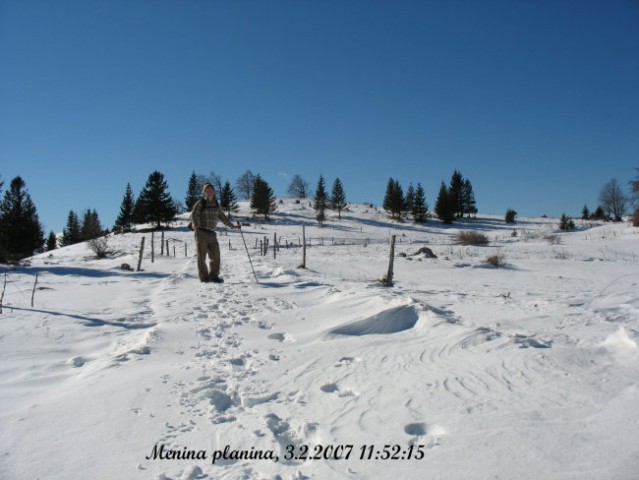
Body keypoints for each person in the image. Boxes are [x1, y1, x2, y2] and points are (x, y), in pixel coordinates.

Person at [191, 183, 240, 283]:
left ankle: (214, 276)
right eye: (207, 190)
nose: (209, 192)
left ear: (213, 191)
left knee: (216, 255)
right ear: (204, 192)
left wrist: (232, 226)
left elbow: (222, 217)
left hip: (212, 233)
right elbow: (194, 215)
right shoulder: (201, 203)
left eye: (211, 190)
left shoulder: (216, 204)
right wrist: (194, 223)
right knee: (201, 257)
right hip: (201, 232)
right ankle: (204, 278)